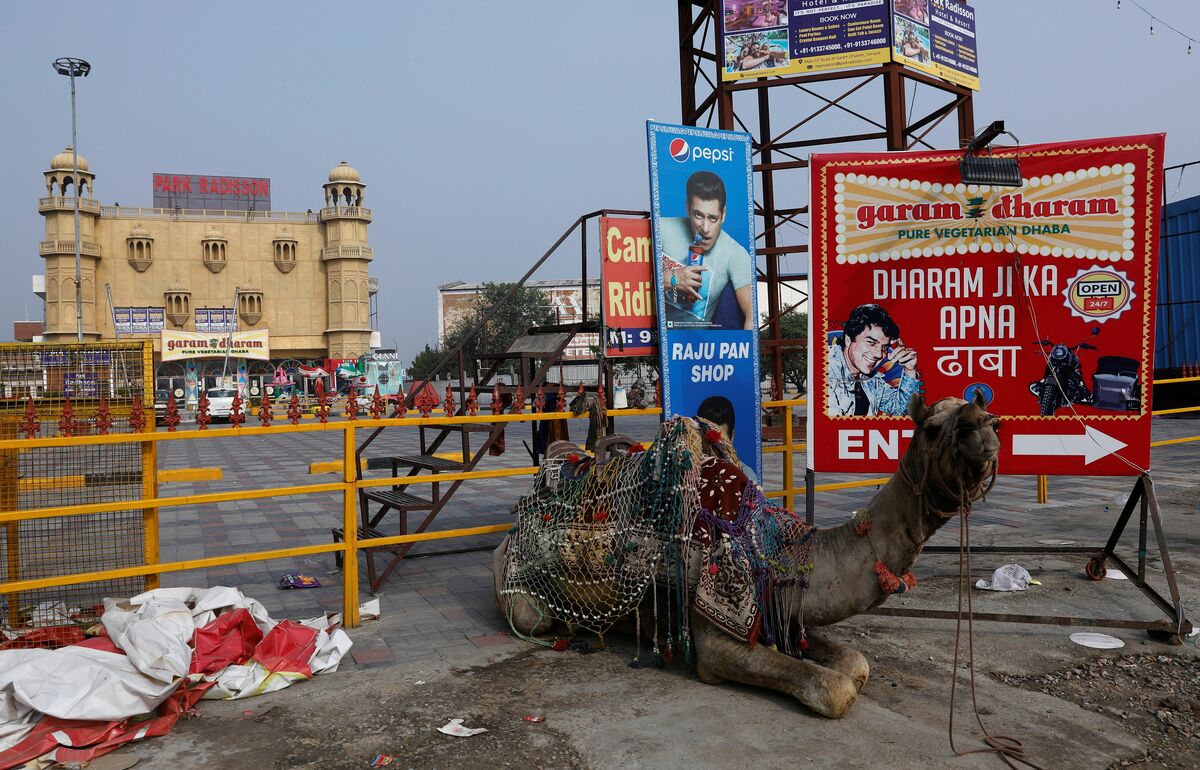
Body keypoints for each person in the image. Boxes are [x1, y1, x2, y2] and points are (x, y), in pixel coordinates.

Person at [659, 171, 755, 330]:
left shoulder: (735, 253)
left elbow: (752, 316)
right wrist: (671, 279)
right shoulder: (661, 229)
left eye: (713, 218)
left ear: (723, 214)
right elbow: (629, 284)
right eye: (698, 215)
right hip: (653, 338)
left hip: (699, 343)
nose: (705, 228)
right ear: (688, 207)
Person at [827, 304, 921, 417]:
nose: (879, 354)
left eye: (884, 347)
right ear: (848, 340)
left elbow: (900, 408)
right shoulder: (825, 369)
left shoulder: (869, 378)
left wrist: (909, 370)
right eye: (871, 343)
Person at [696, 395, 756, 479]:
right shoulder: (687, 475)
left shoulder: (746, 477)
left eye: (721, 441)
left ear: (732, 436)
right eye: (709, 441)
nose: (713, 450)